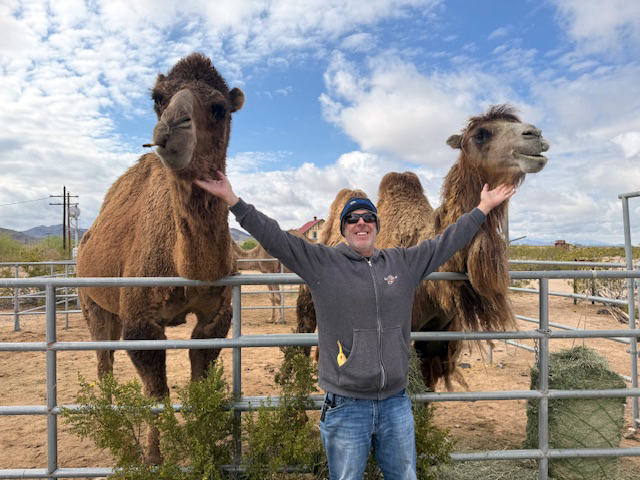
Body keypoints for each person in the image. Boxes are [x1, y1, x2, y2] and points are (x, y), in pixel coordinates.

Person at [194, 172, 515, 480]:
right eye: (352, 219)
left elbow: (446, 243)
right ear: (344, 228)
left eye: (367, 218)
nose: (361, 223)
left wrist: (483, 208)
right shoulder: (322, 263)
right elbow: (275, 238)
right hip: (346, 405)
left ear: (377, 225)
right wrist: (233, 200)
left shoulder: (402, 263)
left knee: (404, 475)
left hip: (395, 404)